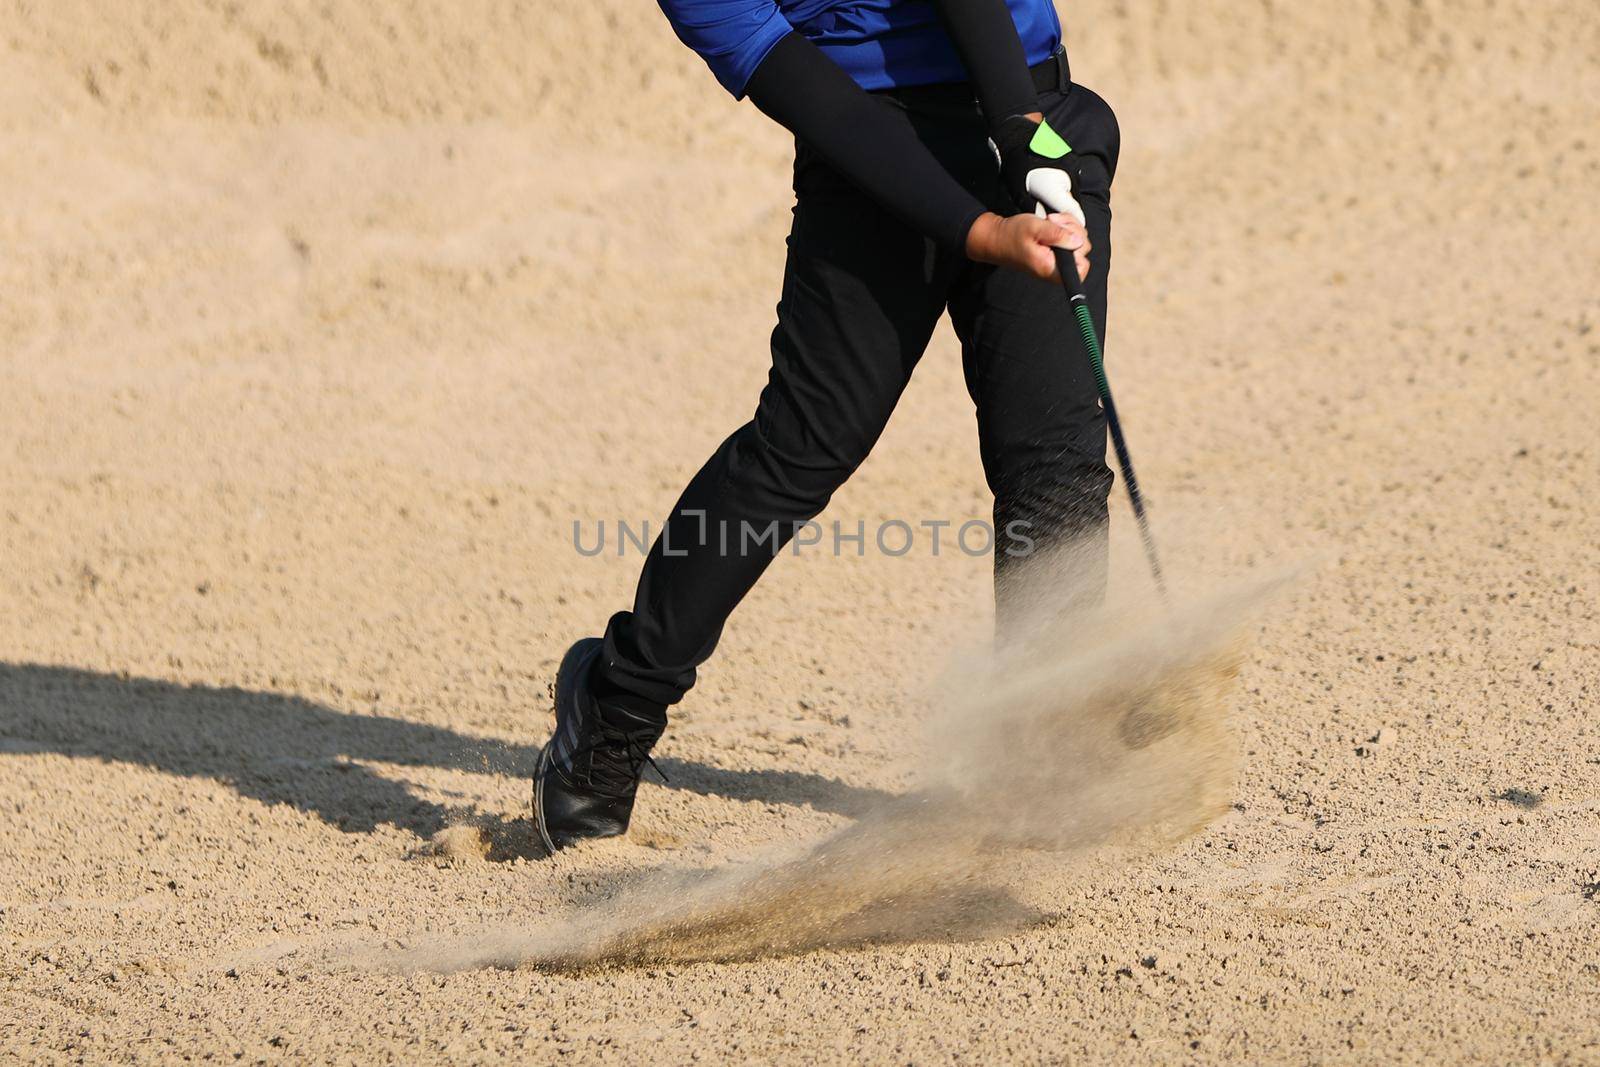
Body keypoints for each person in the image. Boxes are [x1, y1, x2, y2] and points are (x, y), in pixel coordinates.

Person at [534, 0, 1120, 852]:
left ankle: (1045, 761)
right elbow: (823, 101)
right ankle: (613, 708)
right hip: (872, 148)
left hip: (1029, 106)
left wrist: (1021, 126)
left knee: (1055, 461)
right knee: (801, 451)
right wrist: (983, 229)